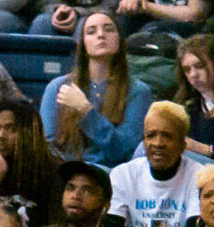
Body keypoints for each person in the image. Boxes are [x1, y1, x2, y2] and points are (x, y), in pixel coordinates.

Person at [43, 9, 150, 168]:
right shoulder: (58, 87)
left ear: (119, 39)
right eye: (91, 32)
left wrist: (86, 110)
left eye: (109, 29)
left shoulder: (138, 91)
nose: (101, 35)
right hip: (65, 172)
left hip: (112, 176)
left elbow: (123, 150)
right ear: (82, 43)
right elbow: (49, 145)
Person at [111, 101, 207, 227]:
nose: (158, 143)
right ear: (143, 141)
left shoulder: (199, 175)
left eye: (167, 136)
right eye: (151, 135)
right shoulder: (122, 175)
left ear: (183, 145)